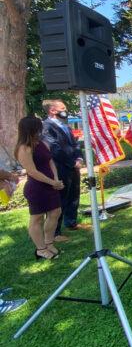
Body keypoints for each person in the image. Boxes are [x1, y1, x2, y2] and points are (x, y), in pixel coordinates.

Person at [15, 116, 64, 260]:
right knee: (37, 218)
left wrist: (55, 179)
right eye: (38, 126)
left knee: (55, 212)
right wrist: (51, 182)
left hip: (50, 185)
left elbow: (50, 162)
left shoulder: (41, 143)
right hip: (37, 188)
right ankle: (41, 250)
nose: (41, 128)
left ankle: (49, 242)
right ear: (31, 128)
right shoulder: (23, 148)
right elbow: (32, 172)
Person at [42, 99, 84, 242]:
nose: (65, 110)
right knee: (60, 199)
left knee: (73, 194)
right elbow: (54, 149)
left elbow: (75, 143)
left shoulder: (66, 126)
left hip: (73, 167)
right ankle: (55, 232)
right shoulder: (46, 126)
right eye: (63, 108)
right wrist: (72, 163)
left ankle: (71, 222)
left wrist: (79, 159)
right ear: (52, 110)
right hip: (60, 168)